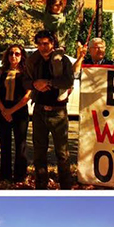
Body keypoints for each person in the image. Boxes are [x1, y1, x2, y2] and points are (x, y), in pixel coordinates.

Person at [24, 29, 86, 190]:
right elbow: (25, 81)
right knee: (39, 152)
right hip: (39, 111)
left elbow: (68, 81)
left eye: (46, 43)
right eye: (39, 44)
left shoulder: (62, 60)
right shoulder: (32, 61)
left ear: (52, 44)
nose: (43, 47)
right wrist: (35, 84)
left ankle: (66, 187)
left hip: (58, 111)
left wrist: (48, 82)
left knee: (62, 153)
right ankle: (41, 187)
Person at [0, 44, 32, 183]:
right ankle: (5, 176)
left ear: (22, 56)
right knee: (4, 144)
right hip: (2, 111)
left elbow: (27, 96)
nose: (13, 56)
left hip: (19, 112)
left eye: (17, 54)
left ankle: (20, 176)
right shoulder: (1, 71)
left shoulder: (27, 72)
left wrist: (11, 111)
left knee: (20, 145)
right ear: (7, 56)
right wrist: (3, 110)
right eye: (11, 53)